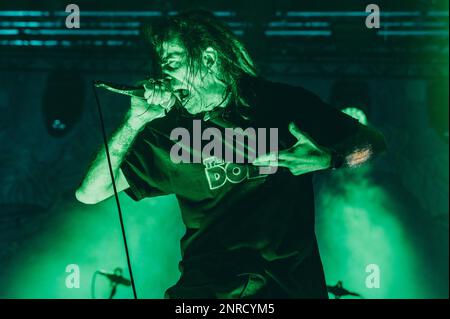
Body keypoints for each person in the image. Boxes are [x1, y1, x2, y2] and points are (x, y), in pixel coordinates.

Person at [76, 10, 386, 298]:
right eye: (160, 62)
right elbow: (90, 193)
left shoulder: (281, 103)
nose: (163, 71)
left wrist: (330, 159)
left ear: (208, 59)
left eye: (171, 59)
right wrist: (134, 122)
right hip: (204, 293)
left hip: (284, 289)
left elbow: (371, 143)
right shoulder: (168, 130)